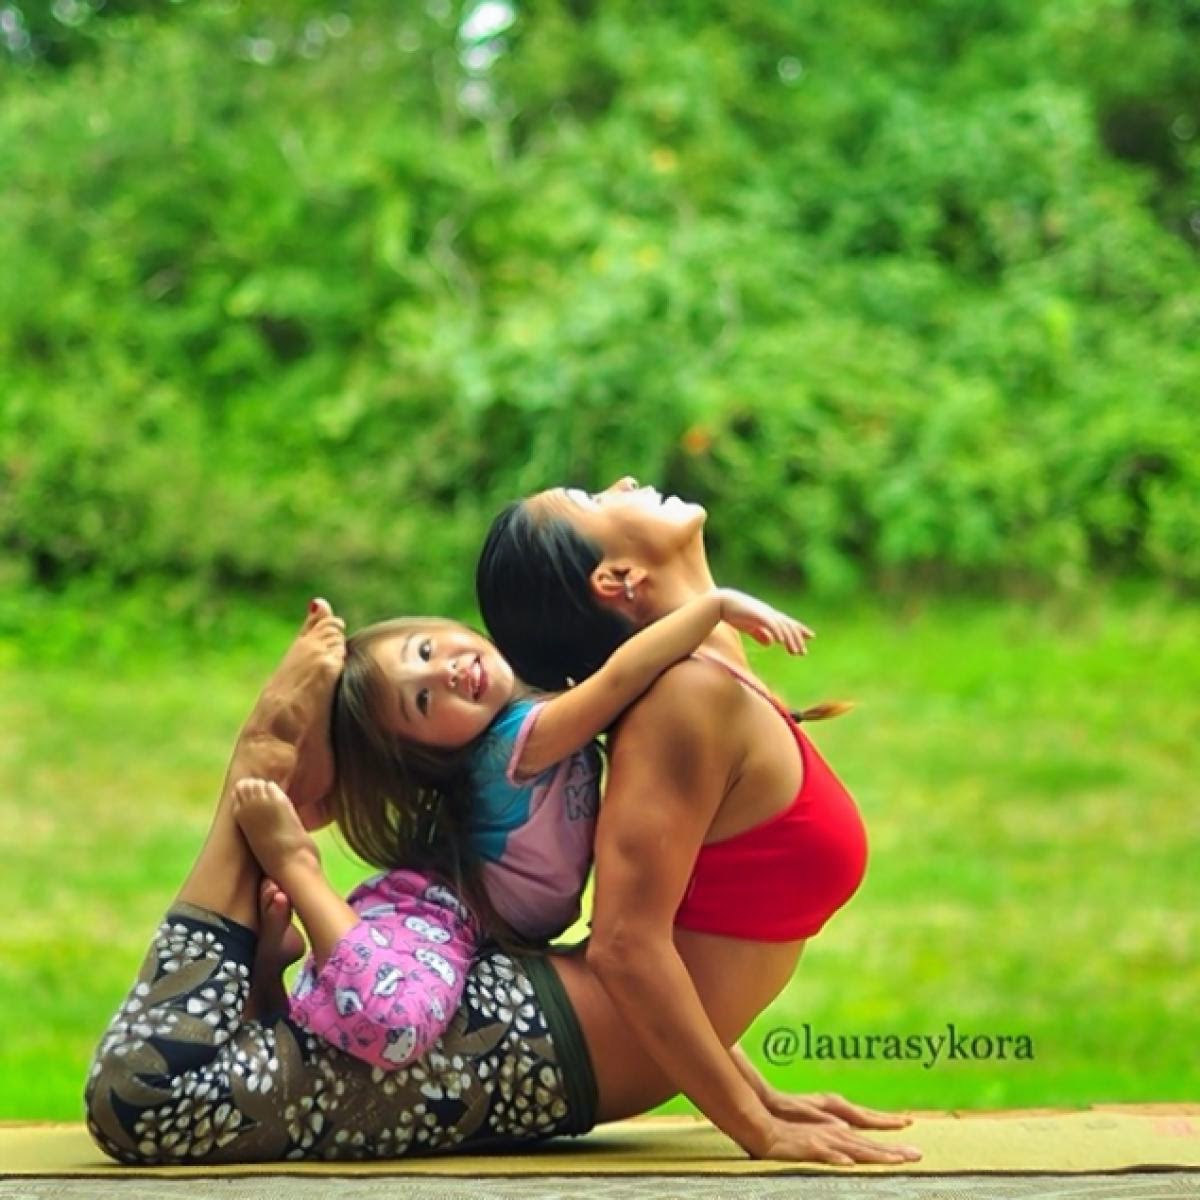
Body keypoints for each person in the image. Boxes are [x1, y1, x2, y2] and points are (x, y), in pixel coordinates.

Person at [85, 495, 920, 1166]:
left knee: (224, 1083)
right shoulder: (684, 698)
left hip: (525, 1026)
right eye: (595, 497)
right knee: (148, 1100)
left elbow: (677, 934)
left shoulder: (702, 673)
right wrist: (754, 1126)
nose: (625, 484)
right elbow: (629, 949)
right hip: (525, 1043)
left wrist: (751, 1084)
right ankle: (258, 766)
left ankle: (269, 962)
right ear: (616, 577)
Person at [232, 588, 816, 1074]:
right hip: (436, 914)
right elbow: (620, 679)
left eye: (428, 648)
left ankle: (269, 985)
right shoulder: (514, 746)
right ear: (428, 755)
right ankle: (296, 868)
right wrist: (711, 608)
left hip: (491, 934)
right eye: (423, 700)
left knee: (335, 1035)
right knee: (396, 1025)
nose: (447, 670)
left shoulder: (538, 717)